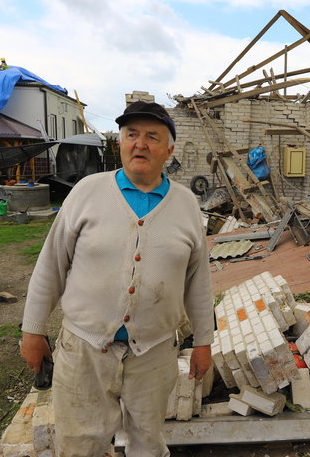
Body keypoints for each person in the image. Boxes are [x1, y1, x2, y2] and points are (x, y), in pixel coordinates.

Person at [20, 101, 213, 457]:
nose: (140, 144)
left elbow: (198, 283)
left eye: (152, 136)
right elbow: (51, 266)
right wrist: (32, 330)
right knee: (80, 445)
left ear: (169, 150)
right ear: (119, 143)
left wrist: (203, 341)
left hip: (153, 351)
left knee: (148, 442)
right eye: (131, 134)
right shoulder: (87, 193)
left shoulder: (186, 206)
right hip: (84, 350)